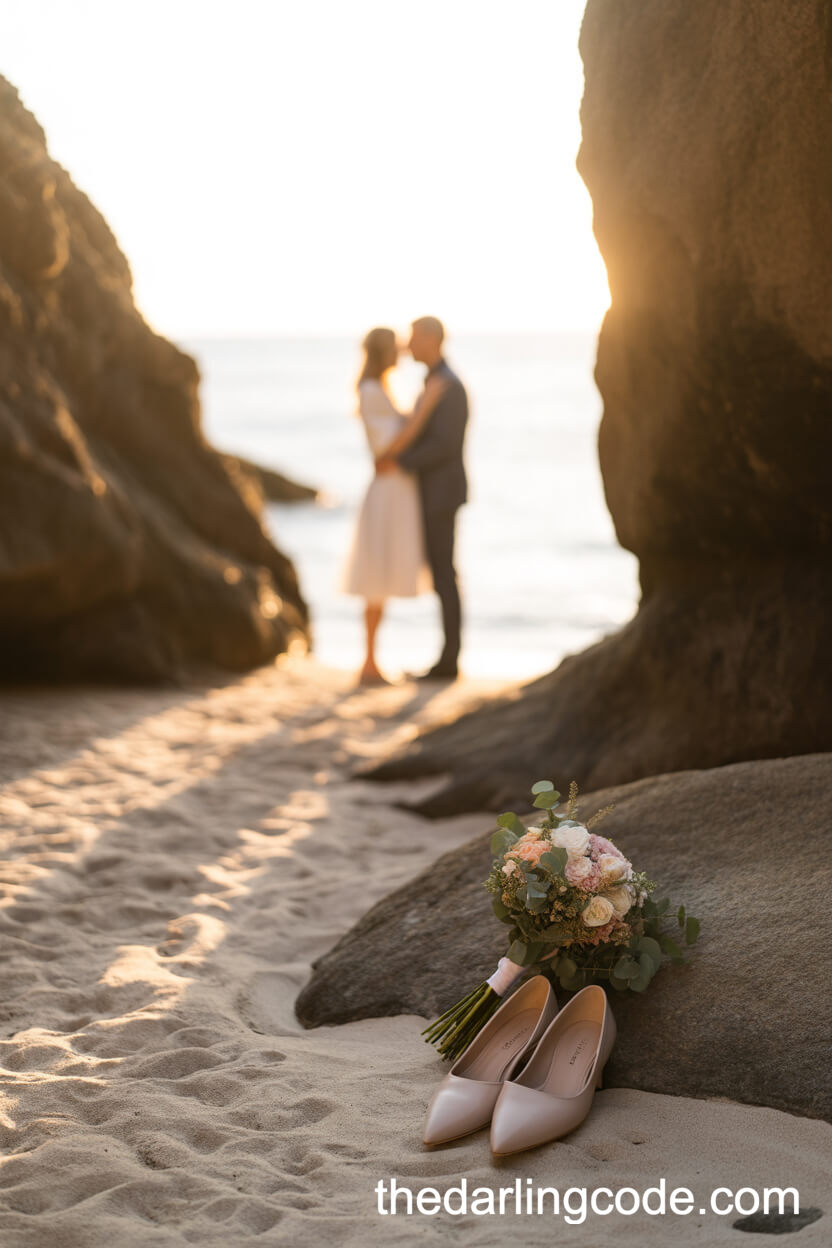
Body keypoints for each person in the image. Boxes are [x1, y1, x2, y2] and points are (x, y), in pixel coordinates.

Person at [339, 326, 447, 686]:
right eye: (397, 347)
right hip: (387, 492)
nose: (403, 351)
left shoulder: (381, 387)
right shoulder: (370, 390)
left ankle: (372, 660)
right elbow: (387, 449)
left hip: (396, 490)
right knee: (374, 575)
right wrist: (426, 406)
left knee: (382, 575)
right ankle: (368, 662)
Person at [375, 316, 468, 681]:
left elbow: (444, 446)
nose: (408, 345)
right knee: (442, 573)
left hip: (442, 495)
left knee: (445, 574)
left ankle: (449, 661)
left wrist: (399, 462)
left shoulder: (449, 386)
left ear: (432, 339)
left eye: (414, 338)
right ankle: (446, 658)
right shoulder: (434, 382)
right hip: (432, 493)